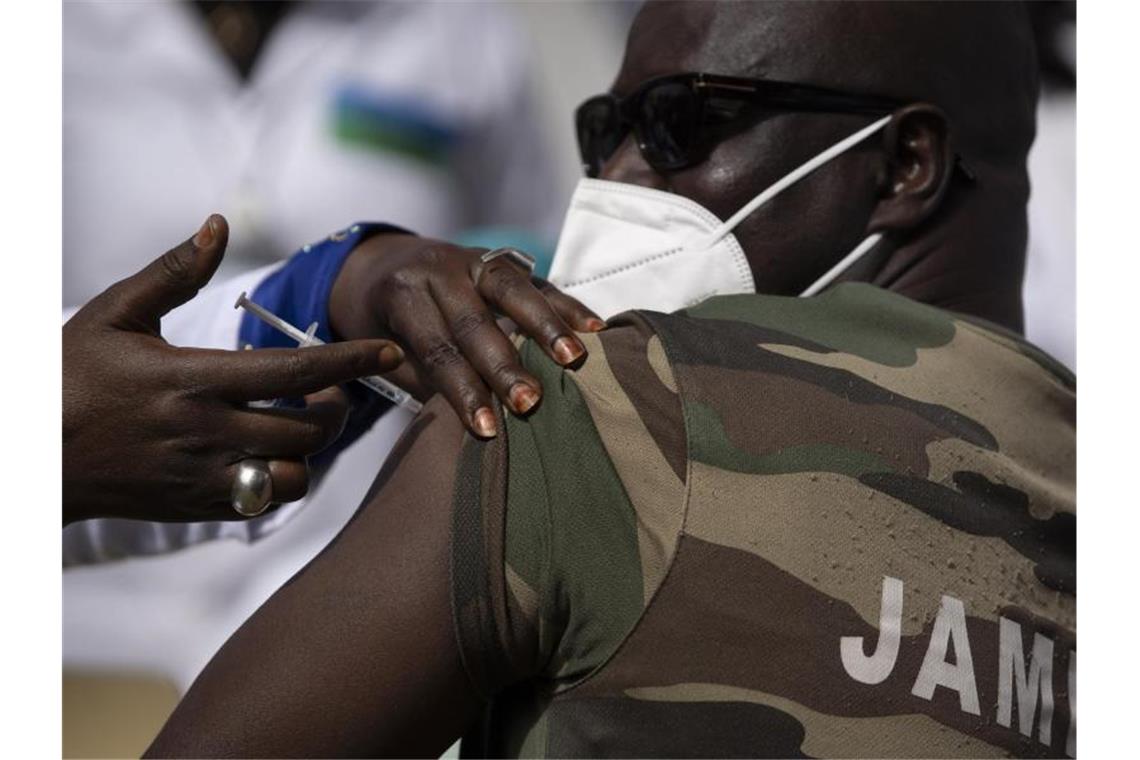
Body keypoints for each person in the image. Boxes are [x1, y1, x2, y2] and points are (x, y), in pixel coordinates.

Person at [146, 1, 1075, 757]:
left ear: (905, 164)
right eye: (606, 132)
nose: (618, 178)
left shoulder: (586, 412)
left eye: (683, 123)